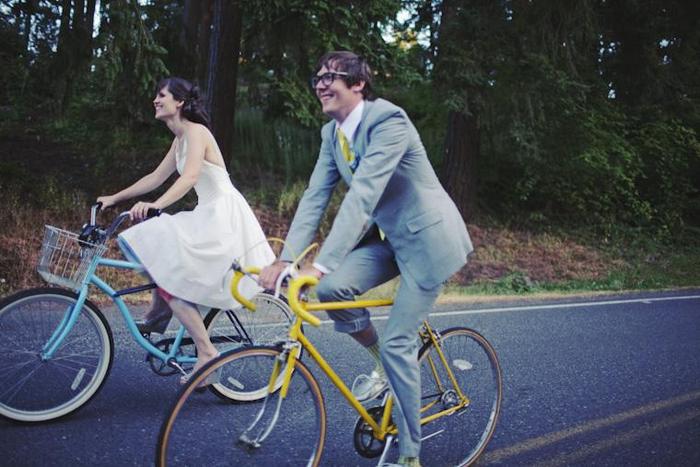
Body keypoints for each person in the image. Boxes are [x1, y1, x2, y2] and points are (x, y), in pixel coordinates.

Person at [259, 52, 473, 466]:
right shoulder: (331, 135)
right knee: (330, 289)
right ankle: (383, 366)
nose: (321, 84)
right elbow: (315, 196)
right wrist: (285, 260)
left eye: (331, 76)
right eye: (316, 76)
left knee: (398, 342)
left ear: (358, 84)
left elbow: (363, 196)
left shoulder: (389, 121)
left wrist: (319, 261)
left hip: (428, 242)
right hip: (389, 239)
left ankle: (410, 455)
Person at [98, 77, 274, 384]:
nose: (156, 99)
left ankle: (206, 352)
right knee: (157, 248)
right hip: (208, 212)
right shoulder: (179, 139)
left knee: (165, 251)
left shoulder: (197, 132)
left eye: (161, 95)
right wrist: (115, 197)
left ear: (179, 102)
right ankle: (160, 312)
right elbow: (155, 177)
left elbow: (190, 176)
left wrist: (156, 205)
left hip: (222, 215)